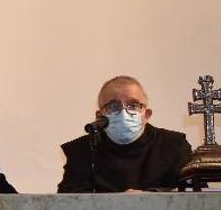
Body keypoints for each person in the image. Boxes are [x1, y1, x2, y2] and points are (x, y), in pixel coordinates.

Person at [57, 75, 192, 193]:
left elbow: (193, 195)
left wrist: (149, 197)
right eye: (113, 106)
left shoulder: (174, 145)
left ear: (147, 114)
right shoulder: (81, 151)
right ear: (99, 116)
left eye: (133, 105)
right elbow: (68, 204)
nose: (123, 112)